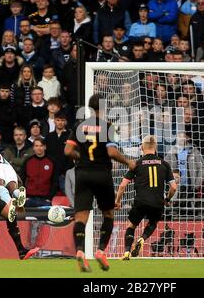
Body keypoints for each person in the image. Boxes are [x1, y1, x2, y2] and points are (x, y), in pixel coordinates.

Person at [64, 93, 135, 272]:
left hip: (83, 174)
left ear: (89, 107)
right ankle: (101, 251)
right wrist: (128, 161)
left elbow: (67, 150)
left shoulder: (79, 126)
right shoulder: (107, 126)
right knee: (108, 214)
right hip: (101, 174)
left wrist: (80, 157)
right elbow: (111, 153)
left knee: (81, 217)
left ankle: (80, 251)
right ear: (104, 108)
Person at [115, 135, 177, 260]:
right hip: (158, 202)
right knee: (153, 222)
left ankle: (127, 252)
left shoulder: (136, 164)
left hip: (141, 201)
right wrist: (168, 199)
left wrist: (117, 201)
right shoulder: (164, 164)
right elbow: (174, 187)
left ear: (142, 147)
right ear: (155, 147)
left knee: (131, 226)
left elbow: (122, 186)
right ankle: (142, 238)